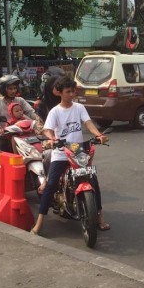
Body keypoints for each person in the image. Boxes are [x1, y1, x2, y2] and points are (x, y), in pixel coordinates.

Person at [31, 76, 110, 235]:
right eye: (68, 91)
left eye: (73, 91)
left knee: (93, 180)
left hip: (77, 150)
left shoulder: (79, 108)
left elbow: (88, 123)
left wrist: (99, 135)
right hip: (60, 152)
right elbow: (48, 130)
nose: (72, 94)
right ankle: (40, 221)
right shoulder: (55, 111)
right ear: (59, 93)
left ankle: (100, 217)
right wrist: (52, 139)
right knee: (51, 184)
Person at [0, 75, 37, 152]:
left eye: (15, 88)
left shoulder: (20, 100)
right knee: (1, 150)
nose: (13, 91)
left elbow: (30, 112)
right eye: (10, 89)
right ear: (3, 89)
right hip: (4, 135)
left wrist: (39, 120)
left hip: (23, 133)